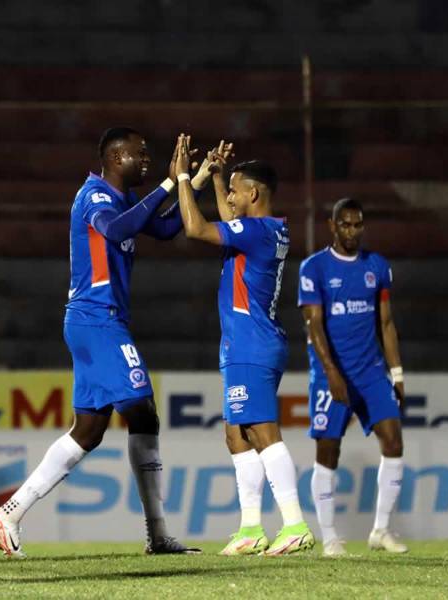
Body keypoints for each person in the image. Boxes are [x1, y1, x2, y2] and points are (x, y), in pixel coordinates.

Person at [0, 127, 205, 557]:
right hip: (97, 319)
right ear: (116, 157)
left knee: (88, 430)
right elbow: (118, 228)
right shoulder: (95, 195)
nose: (146, 159)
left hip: (92, 321)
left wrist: (191, 181)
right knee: (143, 411)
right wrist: (168, 180)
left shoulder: (121, 198)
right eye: (140, 154)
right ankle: (158, 533)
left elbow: (163, 228)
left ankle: (8, 514)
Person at [173, 136, 314, 556]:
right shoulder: (265, 230)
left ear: (253, 194)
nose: (230, 199)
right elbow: (228, 220)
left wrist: (183, 177)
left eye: (235, 191)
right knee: (236, 435)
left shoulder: (255, 232)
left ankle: (295, 524)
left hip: (252, 344)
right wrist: (219, 179)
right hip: (246, 344)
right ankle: (251, 528)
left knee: (260, 431)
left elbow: (196, 228)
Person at [298, 197, 407, 556]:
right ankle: (330, 537)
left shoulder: (377, 266)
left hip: (371, 371)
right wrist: (331, 372)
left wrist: (397, 373)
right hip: (331, 373)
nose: (352, 231)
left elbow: (386, 323)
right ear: (332, 226)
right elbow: (314, 326)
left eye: (357, 224)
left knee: (393, 441)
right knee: (328, 450)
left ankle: (381, 530)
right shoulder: (314, 268)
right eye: (345, 224)